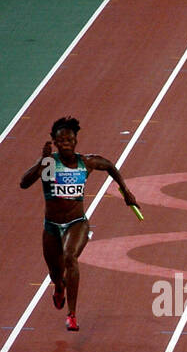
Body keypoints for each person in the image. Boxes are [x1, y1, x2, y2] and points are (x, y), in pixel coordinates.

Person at [18, 116, 139, 331]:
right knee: (55, 273)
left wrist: (126, 190)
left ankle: (72, 315)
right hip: (52, 227)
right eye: (61, 140)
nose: (66, 143)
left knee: (70, 258)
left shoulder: (86, 163)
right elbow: (24, 184)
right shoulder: (49, 164)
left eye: (69, 139)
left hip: (77, 223)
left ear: (76, 141)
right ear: (54, 142)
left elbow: (109, 165)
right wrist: (41, 161)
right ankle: (59, 286)